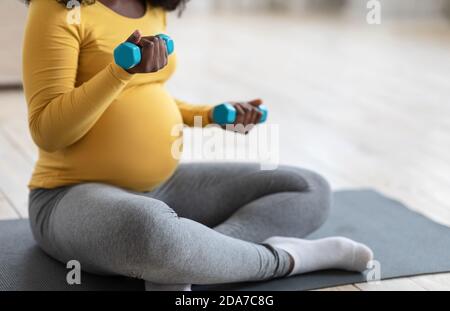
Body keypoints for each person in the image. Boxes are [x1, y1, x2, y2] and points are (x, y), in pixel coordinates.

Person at [23, 0, 373, 291]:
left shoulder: (151, 6)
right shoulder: (56, 10)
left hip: (164, 187)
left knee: (308, 187)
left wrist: (211, 115)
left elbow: (147, 98)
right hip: (68, 196)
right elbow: (49, 131)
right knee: (149, 229)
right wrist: (119, 71)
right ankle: (284, 260)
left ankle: (188, 258)